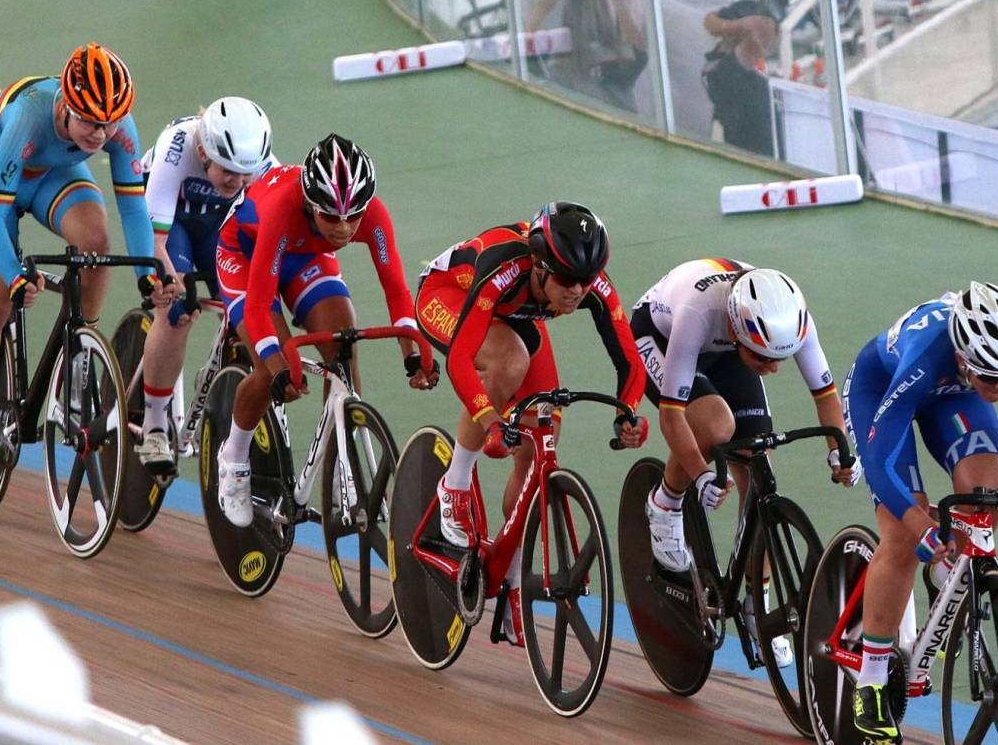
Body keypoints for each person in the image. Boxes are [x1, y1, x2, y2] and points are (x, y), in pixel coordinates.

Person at [841, 282, 998, 744]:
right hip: (882, 391)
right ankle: (871, 680)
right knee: (901, 535)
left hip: (953, 395)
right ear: (963, 357)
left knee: (989, 490)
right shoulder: (926, 357)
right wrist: (919, 524)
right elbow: (877, 461)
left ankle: (951, 574)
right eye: (992, 379)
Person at [412, 201, 648, 644]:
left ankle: (511, 577)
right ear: (539, 266)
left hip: (514, 317)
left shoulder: (590, 282)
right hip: (449, 296)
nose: (577, 291)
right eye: (565, 280)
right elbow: (463, 361)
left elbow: (629, 361)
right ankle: (454, 486)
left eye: (584, 281)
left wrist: (628, 410)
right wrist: (490, 419)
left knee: (544, 430)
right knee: (508, 362)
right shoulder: (506, 263)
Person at [0, 43, 179, 478]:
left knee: (96, 240)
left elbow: (133, 208)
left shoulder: (117, 126)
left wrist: (148, 273)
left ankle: (78, 357)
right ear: (66, 106)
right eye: (91, 122)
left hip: (51, 177)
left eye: (109, 124)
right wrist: (15, 278)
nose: (101, 134)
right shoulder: (31, 117)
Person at [211, 134, 436, 526]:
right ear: (311, 204)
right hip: (246, 256)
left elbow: (397, 291)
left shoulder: (373, 216)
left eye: (355, 216)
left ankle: (339, 467)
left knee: (344, 345)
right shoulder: (283, 209)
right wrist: (278, 363)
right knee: (273, 367)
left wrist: (412, 354)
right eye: (331, 216)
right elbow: (260, 304)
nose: (345, 228)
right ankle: (233, 457)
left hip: (304, 257)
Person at [632, 260, 852, 572]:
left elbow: (826, 394)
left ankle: (754, 604)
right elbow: (671, 417)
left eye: (781, 357)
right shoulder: (698, 313)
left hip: (726, 347)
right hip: (662, 336)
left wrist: (837, 450)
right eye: (764, 358)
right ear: (736, 331)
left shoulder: (790, 318)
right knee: (715, 426)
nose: (774, 368)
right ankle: (665, 503)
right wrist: (699, 475)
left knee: (757, 461)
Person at [130, 97, 279, 475]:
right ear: (203, 152)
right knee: (177, 311)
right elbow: (155, 242)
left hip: (218, 229)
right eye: (228, 171)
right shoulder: (177, 147)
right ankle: (155, 425)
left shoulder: (263, 168)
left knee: (251, 309)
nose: (238, 181)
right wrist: (170, 283)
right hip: (172, 223)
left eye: (246, 173)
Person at [702, 0, 780, 156]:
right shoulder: (727, 71)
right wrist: (731, 28)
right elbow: (763, 26)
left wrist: (727, 27)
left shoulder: (723, 69)